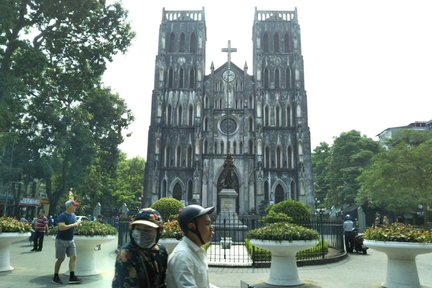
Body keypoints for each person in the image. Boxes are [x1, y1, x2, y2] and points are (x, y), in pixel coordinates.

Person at [112, 208, 168, 288]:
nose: (141, 234)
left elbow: (162, 281)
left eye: (147, 230)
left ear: (159, 232)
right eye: (138, 229)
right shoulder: (126, 254)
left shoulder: (161, 251)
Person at [166, 204, 218, 288]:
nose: (212, 228)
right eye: (207, 224)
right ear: (192, 227)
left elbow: (204, 285)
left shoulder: (196, 251)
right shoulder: (183, 256)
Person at [52, 200, 82, 285]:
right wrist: (74, 225)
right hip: (61, 241)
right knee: (60, 259)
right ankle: (55, 277)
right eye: (74, 205)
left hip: (70, 240)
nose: (76, 207)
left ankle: (72, 277)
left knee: (74, 257)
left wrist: (78, 225)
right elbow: (61, 227)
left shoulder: (74, 215)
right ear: (69, 206)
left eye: (76, 205)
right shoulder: (62, 216)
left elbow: (73, 227)